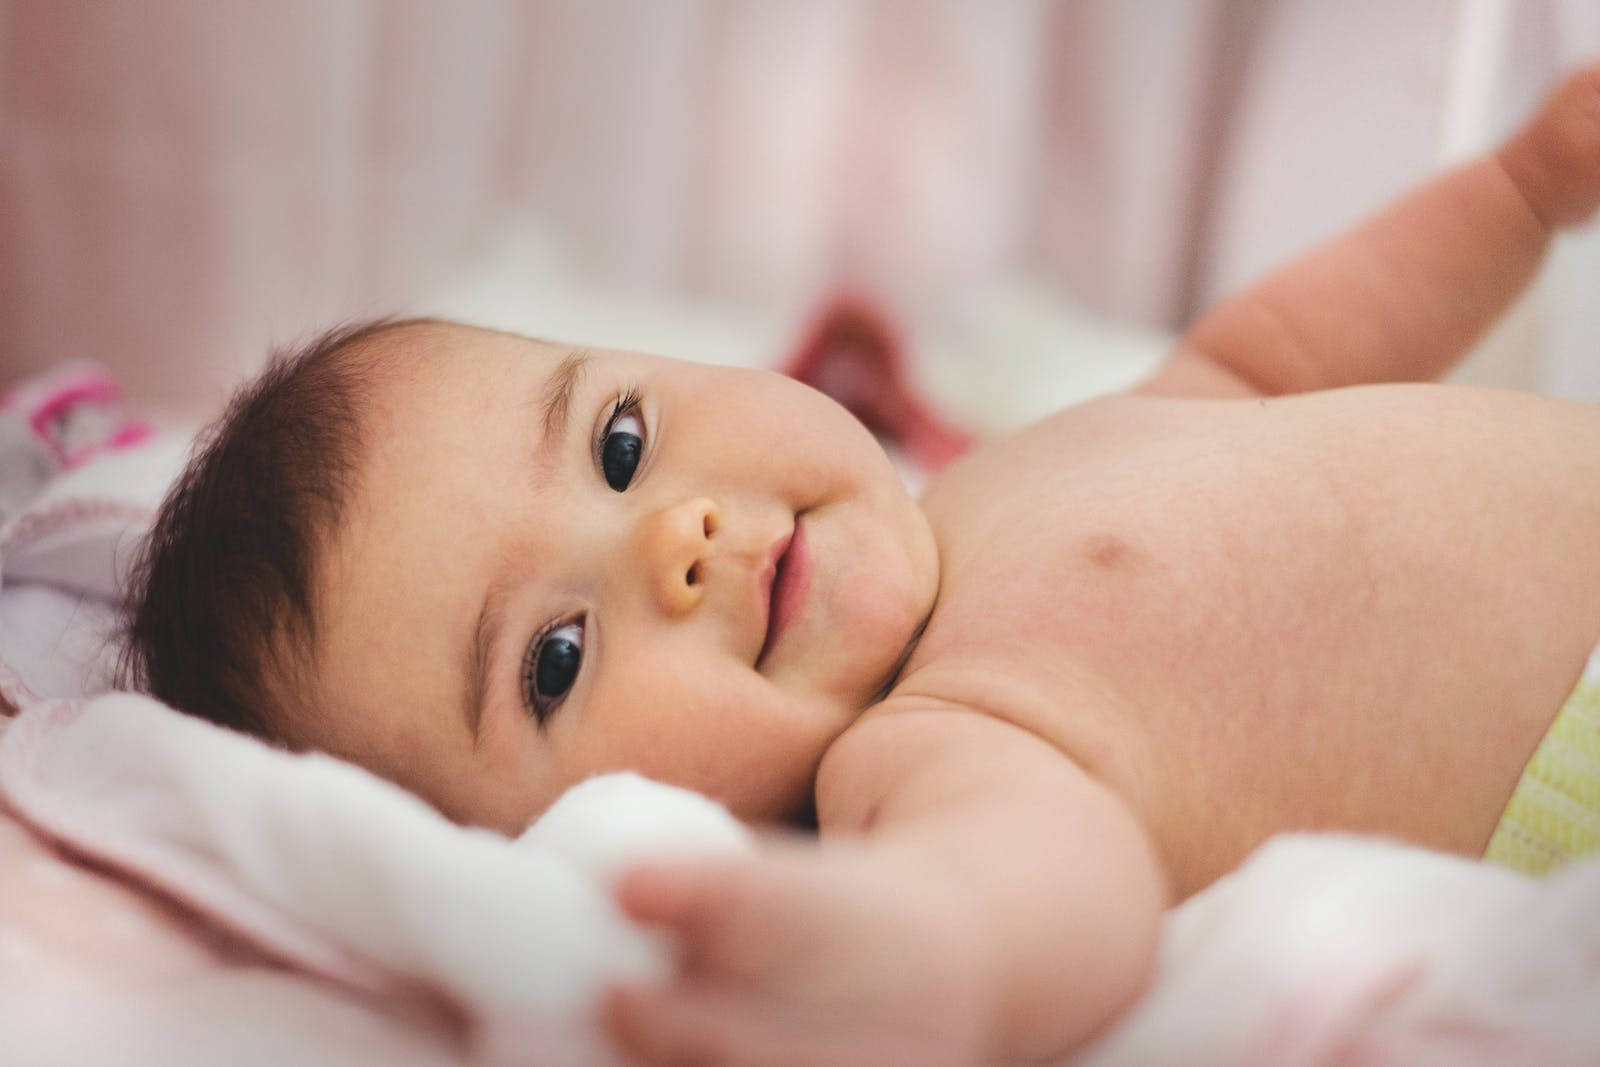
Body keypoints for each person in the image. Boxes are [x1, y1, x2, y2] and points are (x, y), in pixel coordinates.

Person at [124, 65, 1600, 1063]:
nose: (671, 543)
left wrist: (1524, 193)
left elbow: (1274, 353)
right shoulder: (923, 746)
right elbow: (1046, 886)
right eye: (554, 660)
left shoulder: (1000, 477)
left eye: (621, 442)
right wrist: (929, 953)